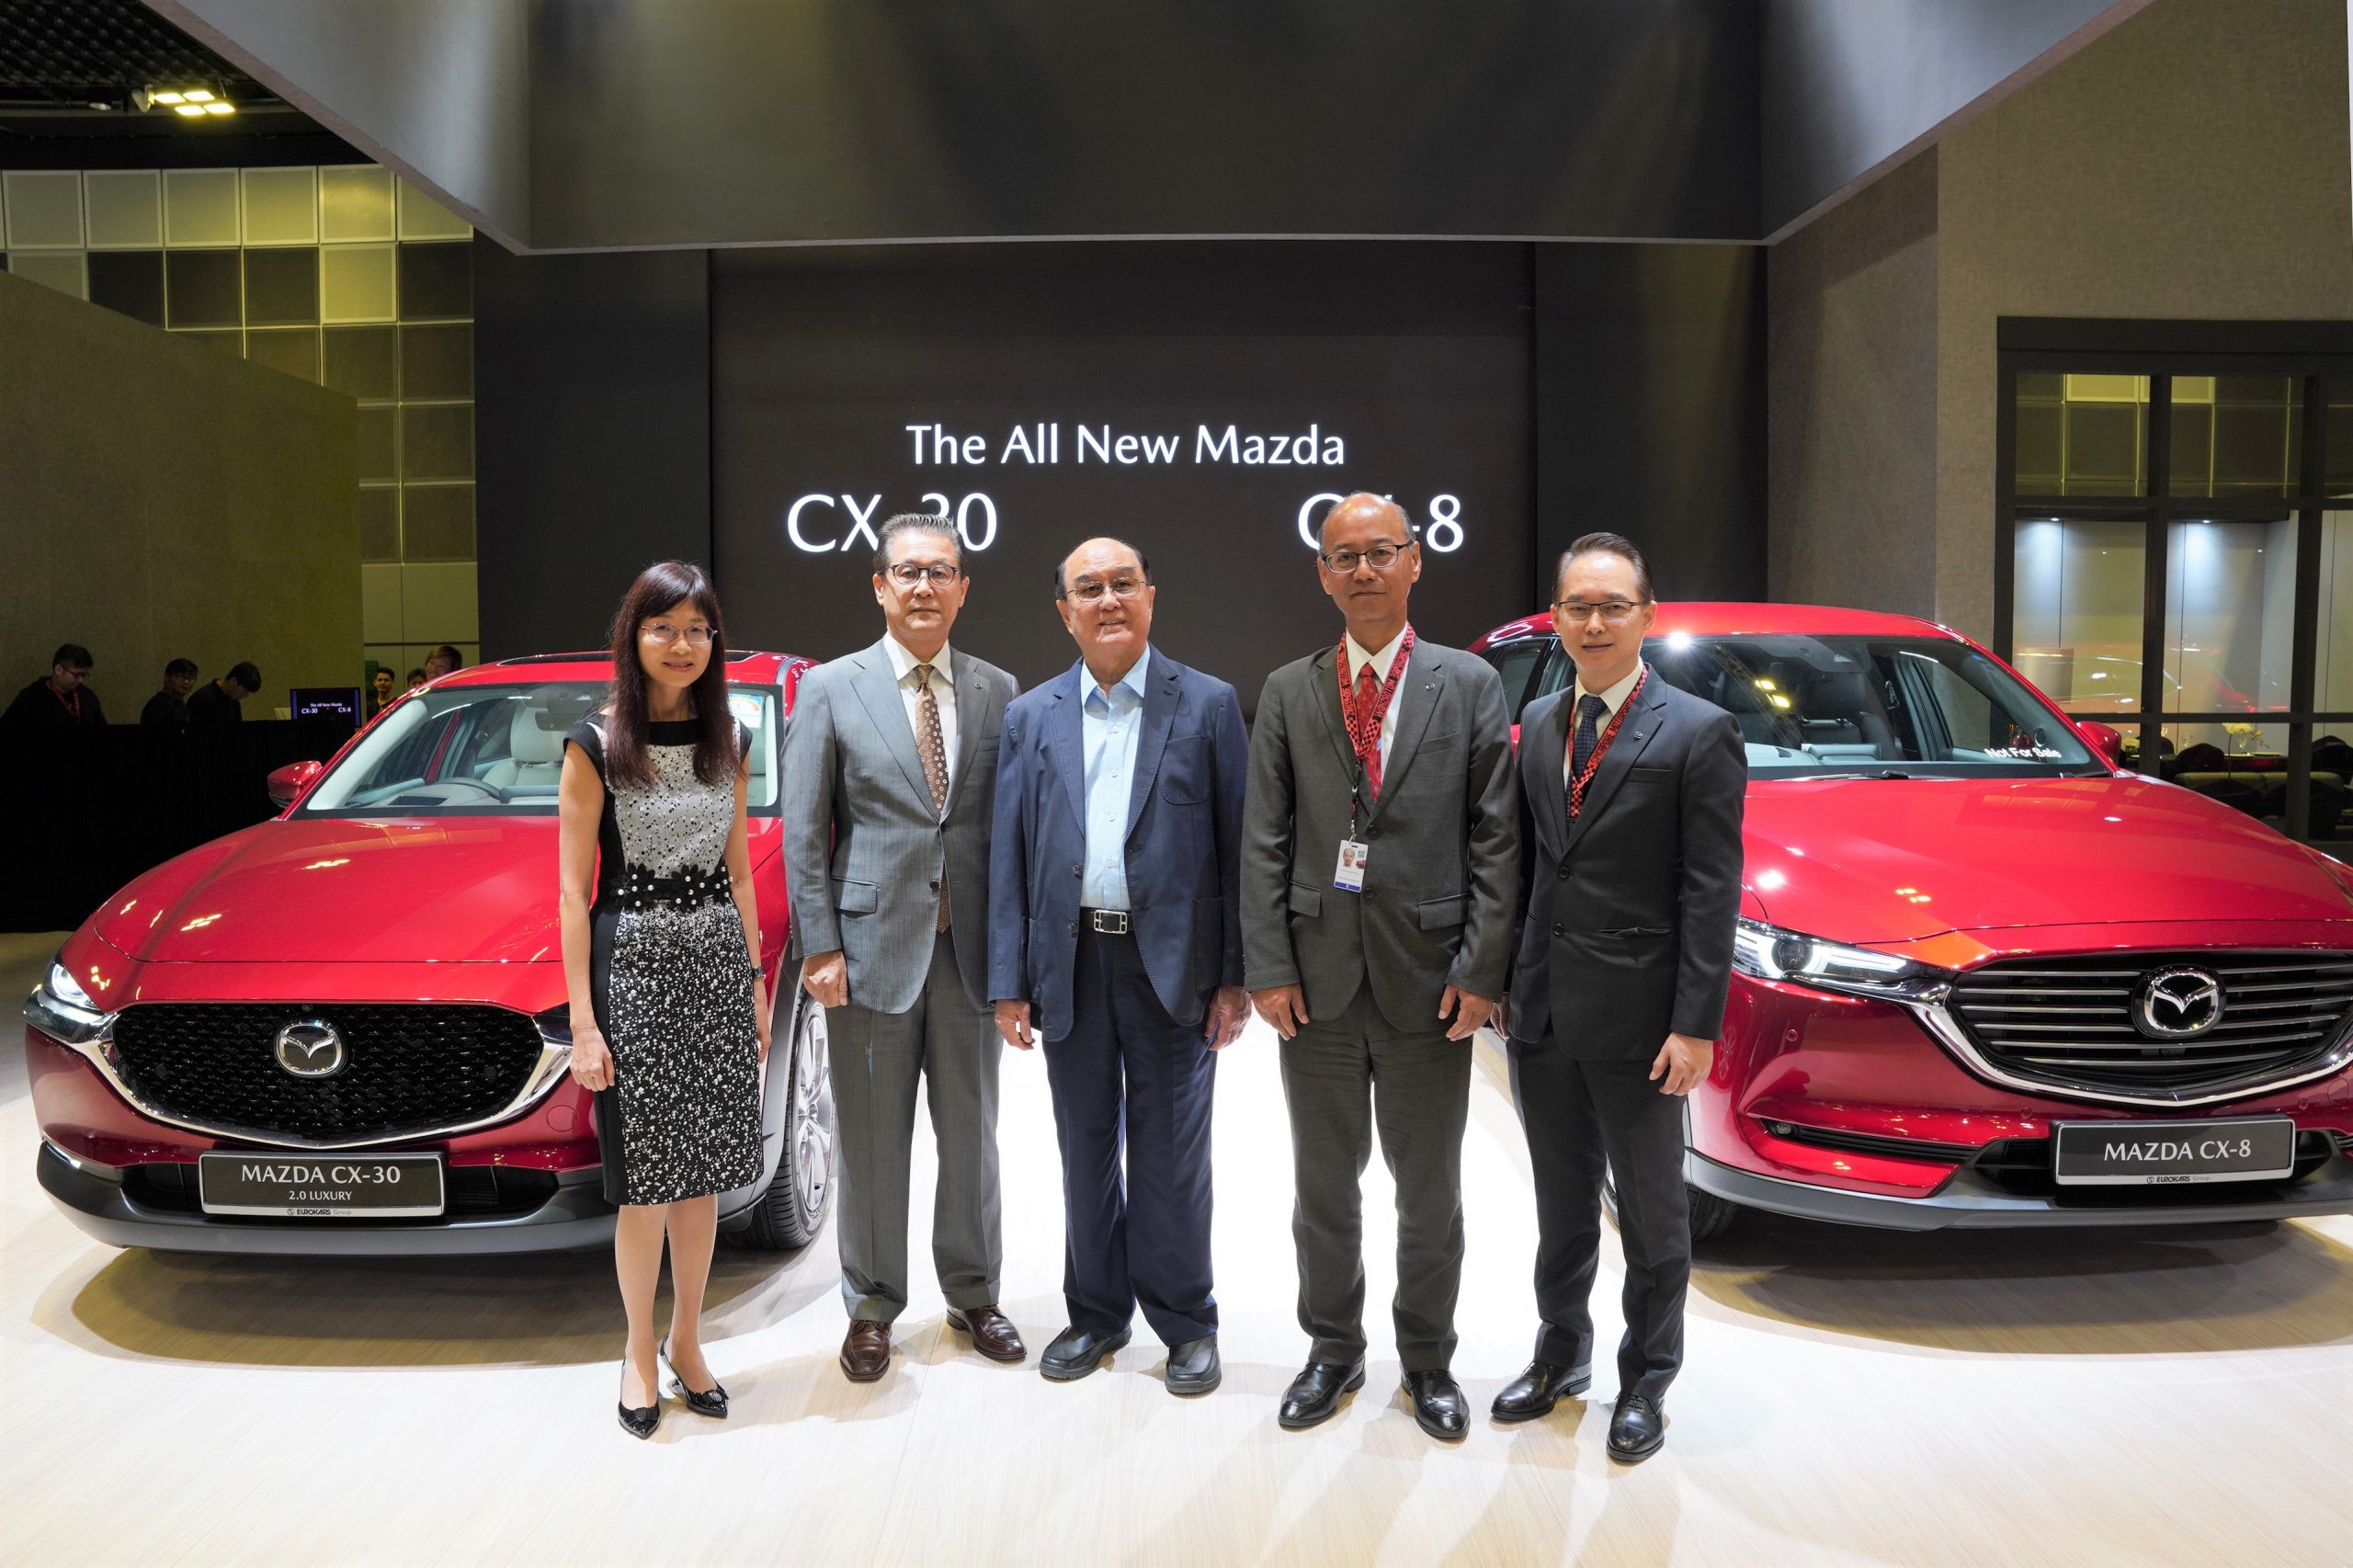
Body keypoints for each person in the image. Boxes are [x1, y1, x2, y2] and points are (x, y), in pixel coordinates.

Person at [1240, 492, 1518, 1441]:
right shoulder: (1288, 688)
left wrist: (1483, 968)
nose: (1362, 570)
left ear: (1414, 562)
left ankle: (1428, 1357)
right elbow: (1263, 840)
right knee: (1323, 1186)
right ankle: (1331, 1349)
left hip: (1430, 981)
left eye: (1380, 552)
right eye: (1343, 555)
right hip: (1313, 987)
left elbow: (1495, 839)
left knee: (1429, 1189)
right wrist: (1267, 965)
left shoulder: (1468, 683)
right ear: (1321, 573)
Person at [1493, 532, 1745, 1464]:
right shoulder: (1539, 725)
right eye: (1576, 606)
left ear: (1646, 613)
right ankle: (1560, 1357)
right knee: (1561, 1210)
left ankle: (1647, 1379)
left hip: (1643, 1023)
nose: (1592, 622)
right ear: (1554, 616)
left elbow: (1709, 889)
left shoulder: (1696, 730)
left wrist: (1695, 1022)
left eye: (1612, 605)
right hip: (1544, 1015)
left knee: (1651, 1215)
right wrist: (1504, 984)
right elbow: (1523, 871)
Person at [988, 538, 1250, 1394]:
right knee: (1085, 1144)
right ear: (1064, 611)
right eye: (1088, 589)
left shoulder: (1207, 705)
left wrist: (1236, 977)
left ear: (1150, 597)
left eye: (1123, 585)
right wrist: (1008, 980)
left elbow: (1239, 849)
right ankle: (1096, 1315)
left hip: (1173, 968)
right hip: (1069, 964)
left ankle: (1186, 1321)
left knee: (1174, 1151)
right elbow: (1010, 855)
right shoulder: (1031, 717)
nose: (1108, 601)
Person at [780, 513, 1024, 1381]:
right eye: (907, 572)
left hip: (969, 958)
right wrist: (820, 946)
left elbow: (1011, 833)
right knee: (873, 1142)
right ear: (880, 586)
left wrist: (1017, 963)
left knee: (973, 1138)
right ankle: (873, 1304)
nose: (924, 587)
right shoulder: (831, 689)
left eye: (941, 572)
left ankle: (974, 1291)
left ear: (963, 587)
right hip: (867, 949)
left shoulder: (999, 689)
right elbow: (806, 831)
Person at [557, 560, 769, 1440]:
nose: (681, 645)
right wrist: (583, 1020)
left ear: (713, 641)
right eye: (662, 628)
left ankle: (688, 1341)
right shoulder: (595, 742)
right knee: (644, 1184)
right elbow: (572, 892)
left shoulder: (734, 738)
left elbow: (736, 870)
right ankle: (638, 1349)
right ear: (633, 636)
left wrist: (754, 981)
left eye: (697, 629)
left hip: (717, 961)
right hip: (634, 964)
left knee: (705, 1179)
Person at [3, 644, 107, 729]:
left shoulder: (87, 696)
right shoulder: (31, 699)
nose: (81, 680)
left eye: (84, 675)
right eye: (76, 675)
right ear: (59, 670)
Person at [187, 662, 259, 724]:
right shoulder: (202, 699)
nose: (245, 695)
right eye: (244, 691)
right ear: (233, 681)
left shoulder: (234, 702)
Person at [141, 659, 199, 730]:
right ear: (166, 677)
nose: (186, 682)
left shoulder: (179, 703)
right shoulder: (158, 706)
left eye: (190, 678)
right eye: (180, 676)